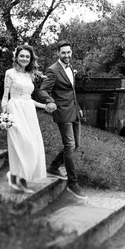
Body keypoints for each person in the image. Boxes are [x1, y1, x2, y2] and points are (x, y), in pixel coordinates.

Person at [38, 40, 87, 199]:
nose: (66, 55)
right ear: (58, 53)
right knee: (70, 145)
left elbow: (71, 91)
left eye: (68, 52)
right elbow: (43, 91)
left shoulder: (71, 68)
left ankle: (53, 166)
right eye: (63, 53)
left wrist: (78, 107)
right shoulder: (52, 70)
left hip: (74, 111)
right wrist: (50, 101)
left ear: (71, 52)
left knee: (76, 145)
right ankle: (73, 183)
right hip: (62, 113)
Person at [1, 44, 49, 193]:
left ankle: (18, 178)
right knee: (22, 145)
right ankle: (18, 179)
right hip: (15, 111)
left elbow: (28, 99)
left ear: (30, 59)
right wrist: (5, 116)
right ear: (16, 57)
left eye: (27, 56)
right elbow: (5, 97)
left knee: (32, 146)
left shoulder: (29, 75)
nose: (24, 58)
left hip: (29, 113)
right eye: (21, 55)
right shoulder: (10, 73)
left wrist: (44, 106)